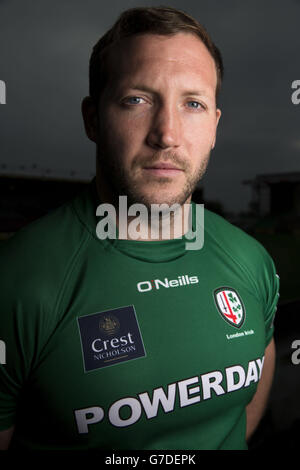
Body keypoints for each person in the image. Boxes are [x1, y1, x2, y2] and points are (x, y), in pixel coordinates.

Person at [0, 6, 279, 450]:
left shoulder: (249, 259)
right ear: (93, 119)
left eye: (193, 104)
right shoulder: (18, 281)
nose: (166, 133)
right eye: (137, 99)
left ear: (214, 127)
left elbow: (244, 408)